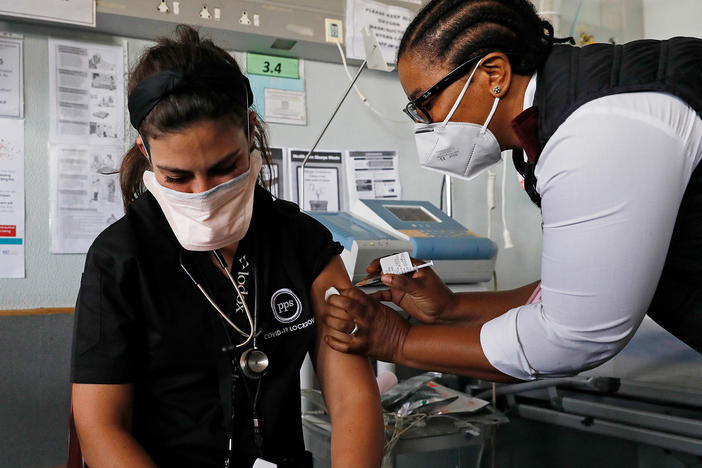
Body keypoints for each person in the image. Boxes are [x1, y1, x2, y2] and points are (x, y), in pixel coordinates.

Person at [322, 0, 702, 382]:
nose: (425, 124)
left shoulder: (598, 130)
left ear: (493, 74)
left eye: (425, 103)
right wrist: (451, 308)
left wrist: (398, 341)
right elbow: (589, 287)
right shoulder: (563, 111)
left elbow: (572, 336)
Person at [70, 25, 384, 468]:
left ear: (250, 131)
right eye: (177, 177)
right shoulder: (119, 259)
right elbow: (100, 426)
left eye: (224, 167)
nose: (203, 192)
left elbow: (352, 398)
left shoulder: (303, 243)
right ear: (146, 152)